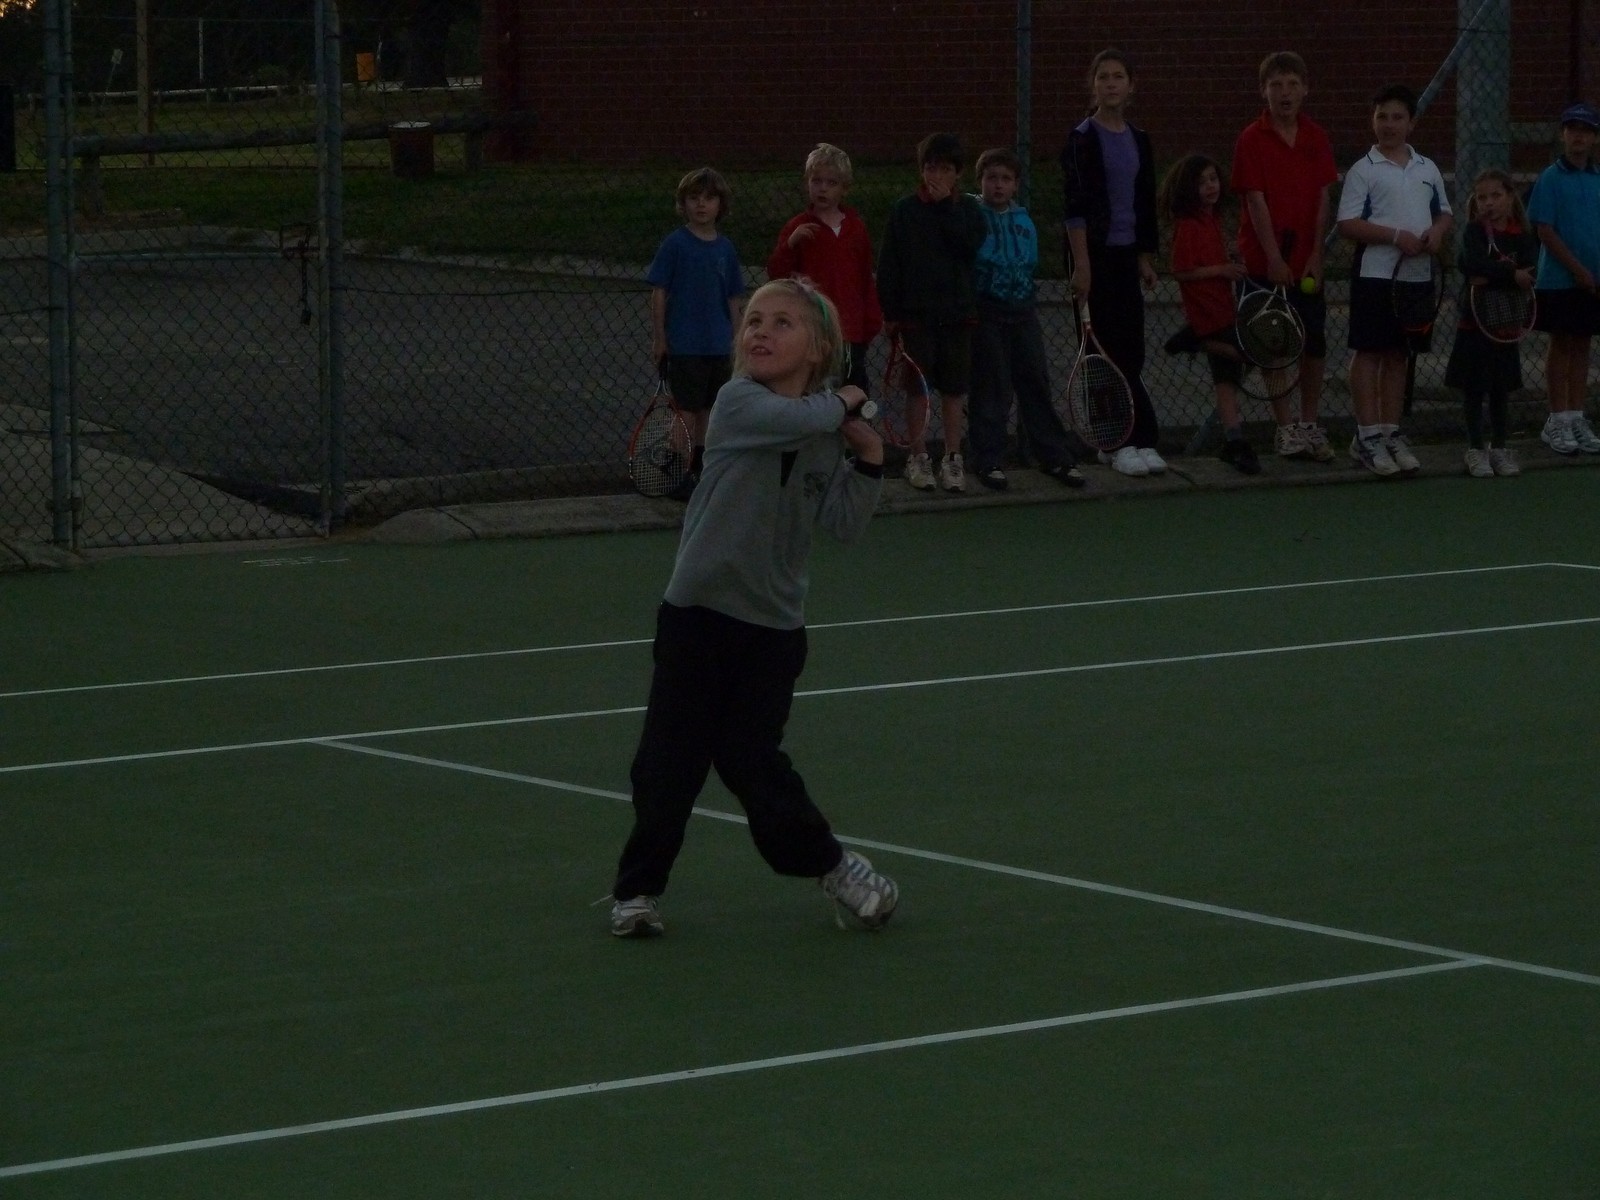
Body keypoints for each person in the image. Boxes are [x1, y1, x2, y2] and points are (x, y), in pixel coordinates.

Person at [608, 277, 898, 939]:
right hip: (698, 618)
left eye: (782, 323)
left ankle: (833, 867)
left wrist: (870, 459)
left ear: (818, 349)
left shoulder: (824, 428)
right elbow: (801, 420)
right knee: (667, 764)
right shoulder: (739, 401)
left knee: (753, 761)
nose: (761, 332)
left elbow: (844, 523)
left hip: (772, 630)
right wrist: (848, 399)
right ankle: (636, 891)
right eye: (755, 322)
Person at [1335, 83, 1453, 477]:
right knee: (1369, 353)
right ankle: (1367, 437)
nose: (1389, 124)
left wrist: (1437, 233)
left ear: (1411, 123)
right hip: (1375, 276)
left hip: (1416, 279)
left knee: (1399, 354)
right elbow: (1348, 223)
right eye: (1382, 117)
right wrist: (1395, 236)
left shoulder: (1427, 168)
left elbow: (1444, 213)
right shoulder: (1363, 170)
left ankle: (1390, 433)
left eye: (1397, 117)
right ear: (1373, 121)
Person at [1229, 51, 1339, 463]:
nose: (1285, 92)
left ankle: (1309, 425)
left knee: (1313, 344)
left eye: (1292, 84)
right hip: (1264, 266)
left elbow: (1323, 198)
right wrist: (1274, 259)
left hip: (1306, 265)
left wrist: (1316, 255)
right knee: (1274, 345)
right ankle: (1286, 429)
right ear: (1264, 91)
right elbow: (1255, 202)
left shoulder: (1316, 137)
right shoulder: (1250, 139)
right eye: (1276, 85)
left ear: (1305, 89)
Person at [1060, 48, 1164, 478]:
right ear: (1093, 85)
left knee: (1130, 349)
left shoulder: (1139, 138)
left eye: (1118, 76)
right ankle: (1114, 441)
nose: (1111, 84)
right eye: (1103, 77)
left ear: (1130, 85)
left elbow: (1144, 200)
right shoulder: (1082, 138)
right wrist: (1082, 265)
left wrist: (1144, 257)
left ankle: (1135, 438)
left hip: (1126, 257)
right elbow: (1075, 207)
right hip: (1094, 257)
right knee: (1102, 352)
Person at [966, 147, 1087, 491]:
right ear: (980, 181)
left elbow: (1029, 261)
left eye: (1006, 179)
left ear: (1016, 185)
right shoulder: (972, 216)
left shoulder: (1024, 221)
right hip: (987, 312)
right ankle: (988, 459)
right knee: (992, 387)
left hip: (1022, 312)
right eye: (991, 178)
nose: (998, 185)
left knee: (1035, 382)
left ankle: (1054, 456)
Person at [877, 132, 988, 492]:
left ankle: (953, 458)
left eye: (944, 169)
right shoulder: (904, 211)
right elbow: (890, 264)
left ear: (958, 173)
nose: (936, 176)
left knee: (954, 390)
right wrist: (891, 313)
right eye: (930, 168)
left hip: (957, 315)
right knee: (918, 390)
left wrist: (946, 209)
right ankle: (919, 457)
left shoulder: (968, 211)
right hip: (917, 317)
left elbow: (969, 247)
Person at [647, 167, 746, 499]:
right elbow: (659, 292)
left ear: (721, 204)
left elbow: (733, 298)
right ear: (683, 203)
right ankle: (676, 470)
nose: (701, 205)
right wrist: (660, 338)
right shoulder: (675, 244)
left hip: (718, 346)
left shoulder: (726, 249)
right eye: (694, 198)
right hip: (685, 345)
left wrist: (738, 339)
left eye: (709, 198)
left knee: (708, 410)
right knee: (686, 410)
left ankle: (699, 467)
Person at [1159, 152, 1260, 475]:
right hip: (1207, 310)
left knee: (1226, 377)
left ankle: (1234, 439)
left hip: (1224, 306)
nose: (1210, 186)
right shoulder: (1188, 225)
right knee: (1250, 352)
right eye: (1202, 182)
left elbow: (1213, 260)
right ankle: (1195, 341)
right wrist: (1221, 269)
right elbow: (1181, 270)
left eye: (1213, 179)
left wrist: (1231, 261)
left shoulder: (1211, 221)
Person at [766, 142, 883, 393]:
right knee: (813, 390)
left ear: (844, 188)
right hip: (812, 328)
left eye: (831, 183)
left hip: (849, 330)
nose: (823, 188)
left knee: (852, 392)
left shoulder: (855, 228)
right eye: (816, 181)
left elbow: (865, 277)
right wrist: (790, 245)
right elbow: (777, 275)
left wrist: (871, 321)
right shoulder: (798, 227)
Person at [1444, 169, 1538, 477]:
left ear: (1510, 197)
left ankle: (1499, 448)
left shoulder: (1522, 235)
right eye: (1482, 197)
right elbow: (1470, 264)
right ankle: (1475, 449)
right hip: (1475, 324)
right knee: (1474, 388)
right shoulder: (1474, 232)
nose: (1489, 203)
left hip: (1506, 324)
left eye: (1496, 196)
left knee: (1500, 389)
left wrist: (1494, 275)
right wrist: (1510, 274)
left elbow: (1529, 272)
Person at [1527, 101, 1600, 455]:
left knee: (1582, 343)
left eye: (1585, 131)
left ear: (1594, 138)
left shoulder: (1597, 179)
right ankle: (1556, 419)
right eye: (1572, 130)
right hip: (1559, 280)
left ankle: (1575, 416)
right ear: (1563, 135)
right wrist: (1577, 269)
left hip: (1592, 281)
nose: (1578, 137)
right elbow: (1545, 229)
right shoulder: (1550, 178)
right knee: (1561, 344)